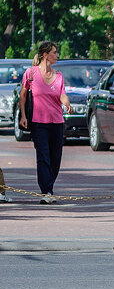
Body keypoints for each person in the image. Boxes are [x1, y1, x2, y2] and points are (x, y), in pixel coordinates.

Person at [18, 41, 72, 204]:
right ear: (45, 55)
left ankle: (49, 188)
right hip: (38, 122)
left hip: (57, 122)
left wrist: (67, 104)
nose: (57, 55)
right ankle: (46, 191)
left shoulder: (59, 75)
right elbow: (23, 95)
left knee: (55, 158)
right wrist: (23, 116)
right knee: (43, 157)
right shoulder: (31, 73)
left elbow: (62, 95)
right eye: (54, 52)